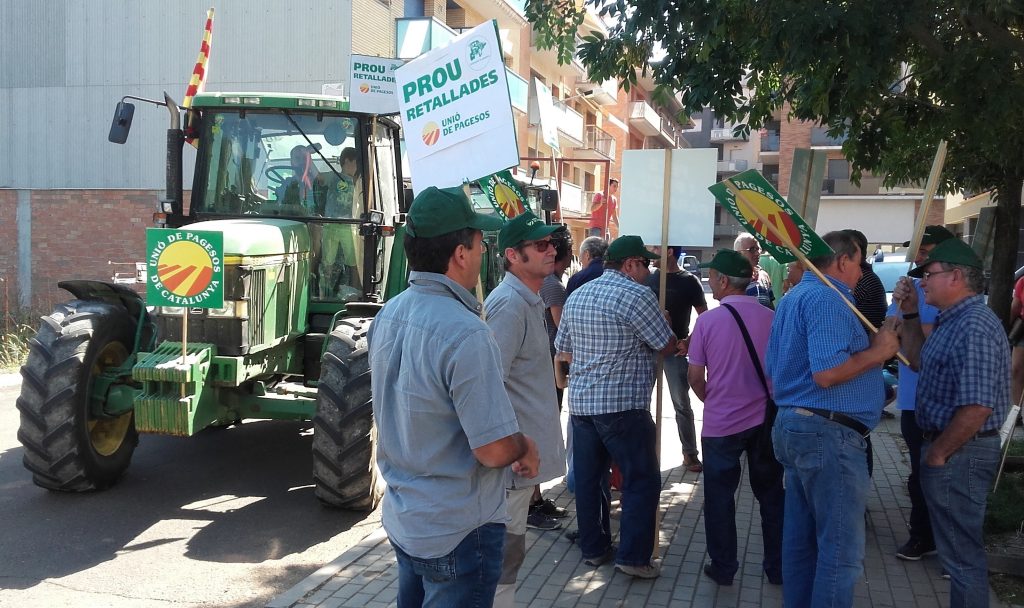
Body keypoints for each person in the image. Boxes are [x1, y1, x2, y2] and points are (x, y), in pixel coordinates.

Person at [367, 186, 540, 608]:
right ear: (461, 254)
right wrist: (524, 446)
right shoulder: (467, 333)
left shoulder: (388, 314)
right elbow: (493, 450)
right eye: (481, 245)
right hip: (458, 530)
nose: (483, 255)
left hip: (406, 519)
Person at [766, 230, 900, 608]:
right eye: (859, 263)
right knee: (840, 552)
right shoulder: (828, 298)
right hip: (827, 434)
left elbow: (778, 367)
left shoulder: (797, 296)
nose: (862, 272)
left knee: (802, 542)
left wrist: (888, 329)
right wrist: (878, 355)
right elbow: (827, 373)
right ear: (843, 261)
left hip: (803, 427)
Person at [894, 238, 1010, 608]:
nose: (922, 282)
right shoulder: (952, 320)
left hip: (961, 452)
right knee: (957, 555)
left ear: (956, 276)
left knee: (962, 558)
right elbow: (916, 360)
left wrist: (938, 454)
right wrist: (910, 314)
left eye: (928, 274)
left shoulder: (974, 325)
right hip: (953, 449)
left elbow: (977, 407)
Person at [555, 235, 679, 579]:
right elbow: (665, 345)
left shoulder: (578, 295)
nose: (649, 272)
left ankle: (594, 550)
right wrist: (666, 323)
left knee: (590, 481)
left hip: (583, 406)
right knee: (640, 481)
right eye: (646, 264)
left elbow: (564, 350)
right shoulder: (638, 295)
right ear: (630, 264)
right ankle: (634, 558)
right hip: (624, 407)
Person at [485, 212, 568, 608]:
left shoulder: (526, 300)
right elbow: (489, 386)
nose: (551, 249)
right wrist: (513, 447)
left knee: (509, 554)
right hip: (512, 467)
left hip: (518, 464)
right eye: (540, 245)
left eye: (551, 243)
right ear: (513, 256)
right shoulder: (508, 306)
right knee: (504, 556)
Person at [688, 249, 783, 587]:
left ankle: (724, 567)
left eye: (712, 276)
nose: (710, 281)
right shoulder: (772, 317)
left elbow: (695, 377)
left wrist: (712, 399)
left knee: (719, 499)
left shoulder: (707, 322)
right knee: (772, 496)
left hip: (721, 425)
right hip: (765, 421)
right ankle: (777, 567)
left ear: (724, 281)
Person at [886, 224, 954, 561]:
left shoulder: (950, 295)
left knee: (945, 476)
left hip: (944, 402)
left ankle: (950, 545)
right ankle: (922, 536)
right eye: (916, 254)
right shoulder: (912, 288)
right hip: (913, 400)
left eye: (925, 254)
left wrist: (913, 321)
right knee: (918, 474)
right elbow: (890, 333)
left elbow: (937, 341)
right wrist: (900, 308)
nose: (918, 261)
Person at [646, 245, 707, 472]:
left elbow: (704, 317)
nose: (651, 251)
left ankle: (690, 453)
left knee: (681, 403)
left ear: (669, 251)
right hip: (648, 349)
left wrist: (689, 341)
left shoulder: (689, 281)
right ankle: (644, 453)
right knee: (641, 403)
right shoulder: (648, 278)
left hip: (676, 350)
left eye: (656, 247)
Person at [320, 147, 363, 296]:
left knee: (354, 262)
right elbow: (318, 177)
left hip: (349, 226)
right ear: (347, 161)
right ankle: (325, 294)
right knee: (327, 263)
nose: (358, 167)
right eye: (356, 162)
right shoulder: (333, 176)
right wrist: (307, 157)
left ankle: (356, 291)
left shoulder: (358, 181)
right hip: (330, 225)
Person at [734, 232, 774, 309]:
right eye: (752, 249)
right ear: (739, 253)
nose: (757, 253)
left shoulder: (763, 275)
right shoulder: (732, 278)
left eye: (758, 249)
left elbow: (770, 305)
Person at [1012, 274, 1024, 404]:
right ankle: (1017, 409)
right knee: (1016, 369)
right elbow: (1015, 307)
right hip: (1023, 329)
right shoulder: (1022, 281)